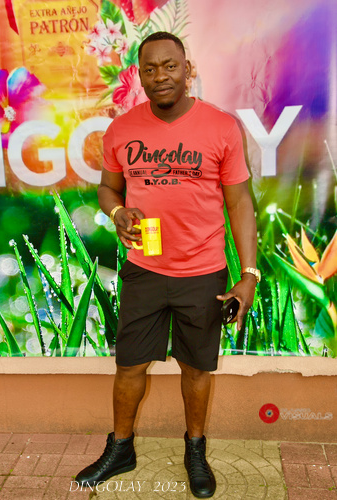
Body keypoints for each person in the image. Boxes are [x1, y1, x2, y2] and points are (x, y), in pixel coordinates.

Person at [75, 31, 259, 498]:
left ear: (188, 69)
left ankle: (195, 450)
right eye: (150, 69)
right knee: (129, 366)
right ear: (140, 76)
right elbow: (107, 188)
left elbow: (240, 203)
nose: (160, 76)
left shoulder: (221, 127)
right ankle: (121, 448)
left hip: (203, 272)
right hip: (144, 269)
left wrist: (248, 276)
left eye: (170, 66)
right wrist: (118, 212)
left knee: (196, 368)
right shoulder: (122, 129)